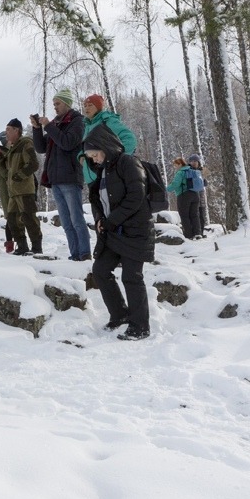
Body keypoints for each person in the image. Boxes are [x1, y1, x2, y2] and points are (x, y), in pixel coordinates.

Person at [83, 125, 155, 340]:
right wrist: (99, 220)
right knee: (100, 270)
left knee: (132, 277)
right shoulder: (103, 170)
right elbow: (99, 201)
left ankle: (140, 327)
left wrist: (110, 221)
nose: (94, 160)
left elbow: (136, 196)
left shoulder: (128, 162)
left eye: (95, 155)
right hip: (114, 232)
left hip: (135, 231)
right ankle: (120, 315)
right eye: (91, 157)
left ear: (105, 147)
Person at [31, 89, 91, 261]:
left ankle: (85, 254)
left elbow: (67, 143)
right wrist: (37, 129)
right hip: (55, 179)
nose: (55, 107)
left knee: (76, 219)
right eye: (53, 104)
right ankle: (75, 254)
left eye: (57, 103)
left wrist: (49, 126)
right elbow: (41, 148)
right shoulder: (57, 124)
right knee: (66, 222)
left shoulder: (78, 121)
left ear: (67, 103)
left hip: (70, 177)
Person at [79, 94, 136, 244]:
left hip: (109, 178)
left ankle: (117, 249)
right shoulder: (87, 125)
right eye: (85, 105)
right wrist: (81, 157)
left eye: (90, 105)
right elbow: (85, 147)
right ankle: (105, 249)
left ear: (99, 107)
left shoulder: (108, 121)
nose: (86, 108)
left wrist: (117, 162)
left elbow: (130, 139)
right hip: (93, 178)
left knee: (111, 218)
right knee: (99, 218)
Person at [0, 118, 42, 256]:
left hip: (24, 190)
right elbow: (5, 172)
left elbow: (33, 164)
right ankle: (22, 246)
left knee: (29, 219)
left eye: (8, 130)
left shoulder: (25, 144)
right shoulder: (12, 148)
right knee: (12, 220)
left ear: (17, 130)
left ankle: (37, 248)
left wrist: (19, 176)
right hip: (13, 192)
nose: (6, 133)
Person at [167, 156, 202, 240]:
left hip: (184, 195)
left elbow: (175, 184)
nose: (175, 167)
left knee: (184, 216)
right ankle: (197, 233)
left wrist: (166, 189)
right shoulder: (192, 170)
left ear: (180, 164)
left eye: (175, 165)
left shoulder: (181, 172)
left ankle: (188, 235)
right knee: (194, 215)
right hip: (195, 195)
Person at [0, 131, 14, 252]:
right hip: (7, 190)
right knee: (11, 217)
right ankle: (10, 245)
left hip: (13, 188)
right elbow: (5, 173)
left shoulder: (9, 151)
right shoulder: (0, 153)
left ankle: (16, 244)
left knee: (16, 217)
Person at [187, 153, 208, 238]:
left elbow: (205, 183)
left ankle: (201, 232)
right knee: (193, 215)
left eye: (195, 161)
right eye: (192, 161)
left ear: (198, 162)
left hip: (201, 196)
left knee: (201, 215)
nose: (193, 163)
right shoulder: (188, 170)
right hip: (191, 196)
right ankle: (194, 233)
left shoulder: (202, 170)